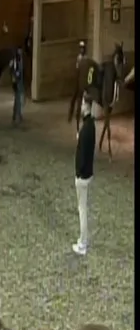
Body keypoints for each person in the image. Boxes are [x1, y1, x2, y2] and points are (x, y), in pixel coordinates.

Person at [73, 95, 96, 256]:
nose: (81, 107)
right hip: (89, 173)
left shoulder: (86, 129)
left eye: (82, 104)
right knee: (83, 207)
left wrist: (78, 173)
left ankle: (82, 243)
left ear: (86, 106)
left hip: (83, 175)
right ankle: (84, 240)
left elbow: (82, 154)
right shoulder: (91, 125)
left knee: (82, 210)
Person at [12, 48, 26, 125]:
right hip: (17, 82)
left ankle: (16, 115)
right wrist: (14, 81)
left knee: (17, 99)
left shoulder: (21, 61)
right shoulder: (15, 62)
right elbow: (14, 72)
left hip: (20, 82)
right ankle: (18, 115)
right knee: (18, 99)